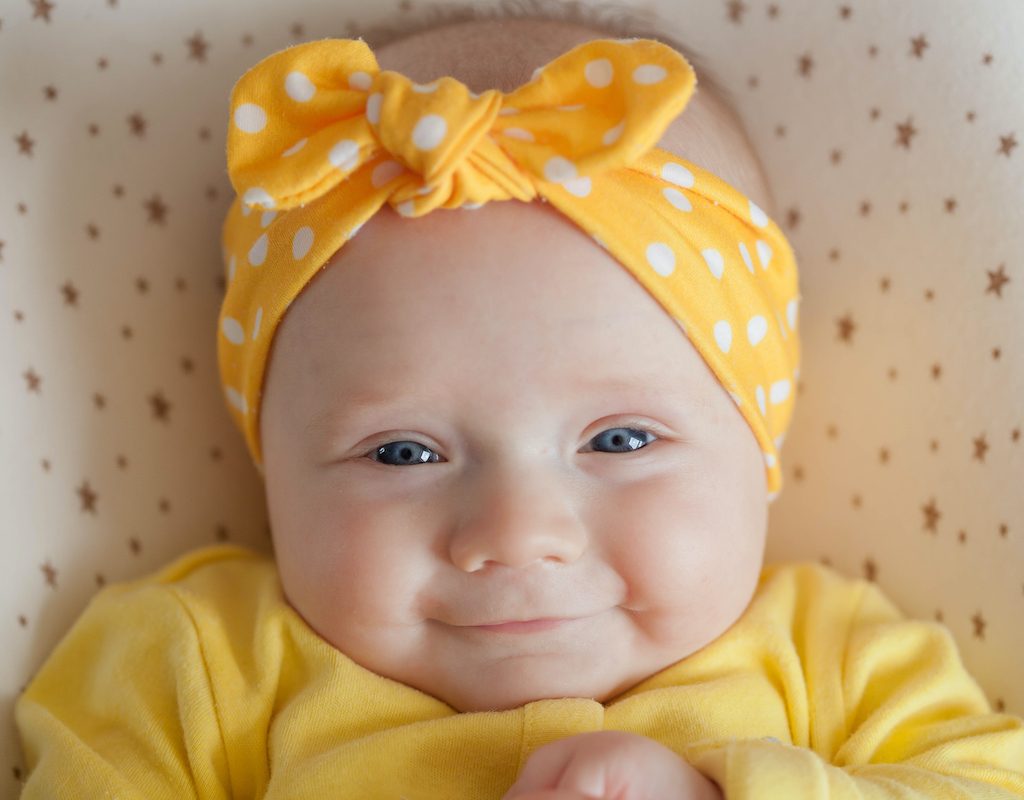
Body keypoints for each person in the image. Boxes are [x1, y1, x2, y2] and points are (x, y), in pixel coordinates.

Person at [14, 6, 1024, 799]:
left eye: (619, 437)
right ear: (270, 457)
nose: (514, 534)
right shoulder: (196, 660)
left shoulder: (831, 652)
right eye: (403, 452)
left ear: (754, 436)